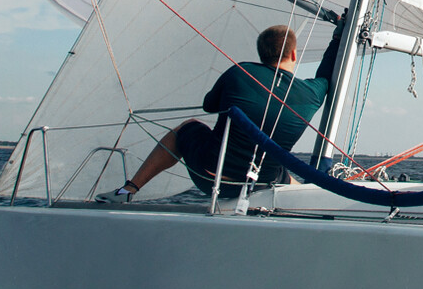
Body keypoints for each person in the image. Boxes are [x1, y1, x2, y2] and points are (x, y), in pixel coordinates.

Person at [96, 18, 345, 203]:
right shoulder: (311, 93)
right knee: (276, 166)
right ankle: (312, 200)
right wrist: (337, 38)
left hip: (211, 177)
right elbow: (325, 74)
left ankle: (128, 190)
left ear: (261, 54)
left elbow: (209, 105)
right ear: (293, 53)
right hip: (262, 184)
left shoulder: (240, 72)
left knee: (187, 128)